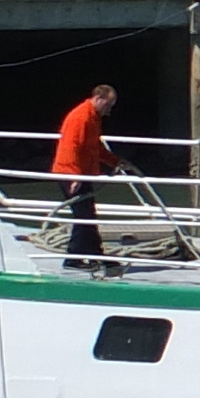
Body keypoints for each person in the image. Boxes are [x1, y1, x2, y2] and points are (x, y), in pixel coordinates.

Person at [51, 81, 119, 263]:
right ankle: (73, 258)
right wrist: (74, 177)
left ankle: (95, 255)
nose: (109, 110)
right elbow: (71, 146)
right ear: (98, 98)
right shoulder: (81, 117)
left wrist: (116, 162)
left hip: (82, 174)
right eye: (108, 105)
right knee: (83, 216)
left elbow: (94, 146)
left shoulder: (93, 118)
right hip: (70, 174)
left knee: (88, 215)